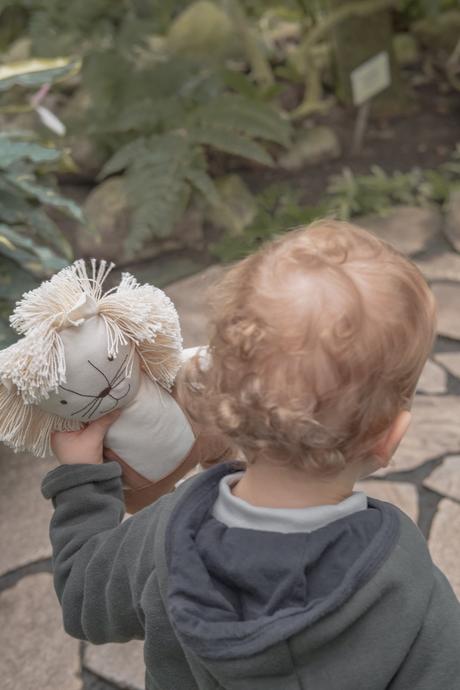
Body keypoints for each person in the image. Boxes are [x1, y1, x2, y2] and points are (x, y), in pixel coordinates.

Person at [43, 220, 460, 690]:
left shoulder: (166, 536)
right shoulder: (400, 570)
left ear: (222, 398)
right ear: (389, 438)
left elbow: (83, 598)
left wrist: (81, 475)